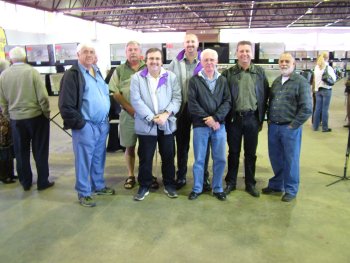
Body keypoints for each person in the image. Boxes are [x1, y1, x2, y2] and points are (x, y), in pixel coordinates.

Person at [59, 43, 115, 207]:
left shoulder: (96, 71)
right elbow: (65, 105)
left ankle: (98, 185)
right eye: (85, 52)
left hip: (102, 124)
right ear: (78, 55)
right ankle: (84, 192)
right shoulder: (73, 75)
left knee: (99, 158)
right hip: (86, 126)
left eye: (92, 52)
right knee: (84, 160)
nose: (89, 54)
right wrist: (81, 124)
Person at [130, 48, 181, 201]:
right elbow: (136, 100)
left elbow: (177, 98)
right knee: (145, 157)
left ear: (162, 60)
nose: (154, 62)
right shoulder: (137, 78)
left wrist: (166, 114)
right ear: (145, 61)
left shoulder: (170, 77)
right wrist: (152, 117)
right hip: (146, 125)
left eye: (157, 59)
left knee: (168, 156)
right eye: (151, 58)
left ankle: (169, 184)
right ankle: (144, 185)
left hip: (166, 124)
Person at [0, 47, 53, 191]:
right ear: (25, 58)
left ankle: (25, 182)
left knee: (21, 151)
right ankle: (42, 181)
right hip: (36, 117)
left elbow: (2, 101)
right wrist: (46, 113)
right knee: (40, 150)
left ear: (11, 59)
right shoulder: (32, 72)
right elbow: (43, 96)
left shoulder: (4, 75)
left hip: (16, 119)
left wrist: (8, 115)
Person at [109, 41, 160, 190]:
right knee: (129, 146)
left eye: (135, 49)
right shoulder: (119, 70)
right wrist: (129, 109)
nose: (132, 52)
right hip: (128, 115)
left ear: (141, 52)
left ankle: (148, 175)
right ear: (126, 53)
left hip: (147, 117)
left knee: (147, 148)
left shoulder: (149, 66)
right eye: (130, 50)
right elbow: (115, 92)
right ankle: (131, 175)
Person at [222, 40, 269, 198]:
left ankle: (250, 183)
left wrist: (262, 118)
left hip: (252, 119)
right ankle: (231, 182)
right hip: (234, 119)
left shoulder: (260, 73)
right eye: (241, 51)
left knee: (250, 153)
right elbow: (224, 96)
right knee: (233, 152)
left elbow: (265, 95)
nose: (244, 54)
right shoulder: (228, 74)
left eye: (247, 51)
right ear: (236, 54)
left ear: (252, 53)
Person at [263, 52, 312, 202]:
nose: (284, 64)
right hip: (274, 127)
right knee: (276, 157)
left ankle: (291, 189)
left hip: (289, 128)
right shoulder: (277, 81)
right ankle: (277, 184)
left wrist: (293, 125)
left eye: (287, 61)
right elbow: (270, 102)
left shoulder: (300, 82)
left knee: (291, 159)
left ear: (294, 64)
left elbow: (307, 108)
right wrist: (269, 121)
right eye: (281, 61)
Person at [168, 33, 211, 191]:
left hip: (200, 109)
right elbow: (168, 84)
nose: (190, 44)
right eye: (187, 42)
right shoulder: (175, 62)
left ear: (197, 44)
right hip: (181, 109)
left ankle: (203, 177)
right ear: (184, 44)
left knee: (202, 145)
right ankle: (181, 175)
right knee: (182, 144)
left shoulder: (205, 60)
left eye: (193, 42)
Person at [187, 49, 231, 201]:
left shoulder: (223, 80)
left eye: (212, 60)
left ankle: (217, 188)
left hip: (219, 126)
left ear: (216, 61)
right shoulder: (194, 81)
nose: (209, 63)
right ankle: (197, 188)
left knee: (220, 159)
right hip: (200, 126)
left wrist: (216, 118)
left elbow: (227, 102)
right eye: (206, 60)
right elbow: (192, 104)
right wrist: (208, 119)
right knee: (199, 159)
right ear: (201, 62)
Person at [0, 58, 16, 184]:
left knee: (9, 147)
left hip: (6, 119)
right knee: (3, 148)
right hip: (2, 122)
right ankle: (4, 175)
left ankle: (10, 173)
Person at [312, 52, 336, 132]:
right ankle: (325, 128)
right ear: (327, 58)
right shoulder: (328, 67)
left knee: (317, 109)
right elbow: (334, 79)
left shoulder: (316, 67)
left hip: (317, 90)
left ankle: (315, 127)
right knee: (325, 109)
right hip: (326, 89)